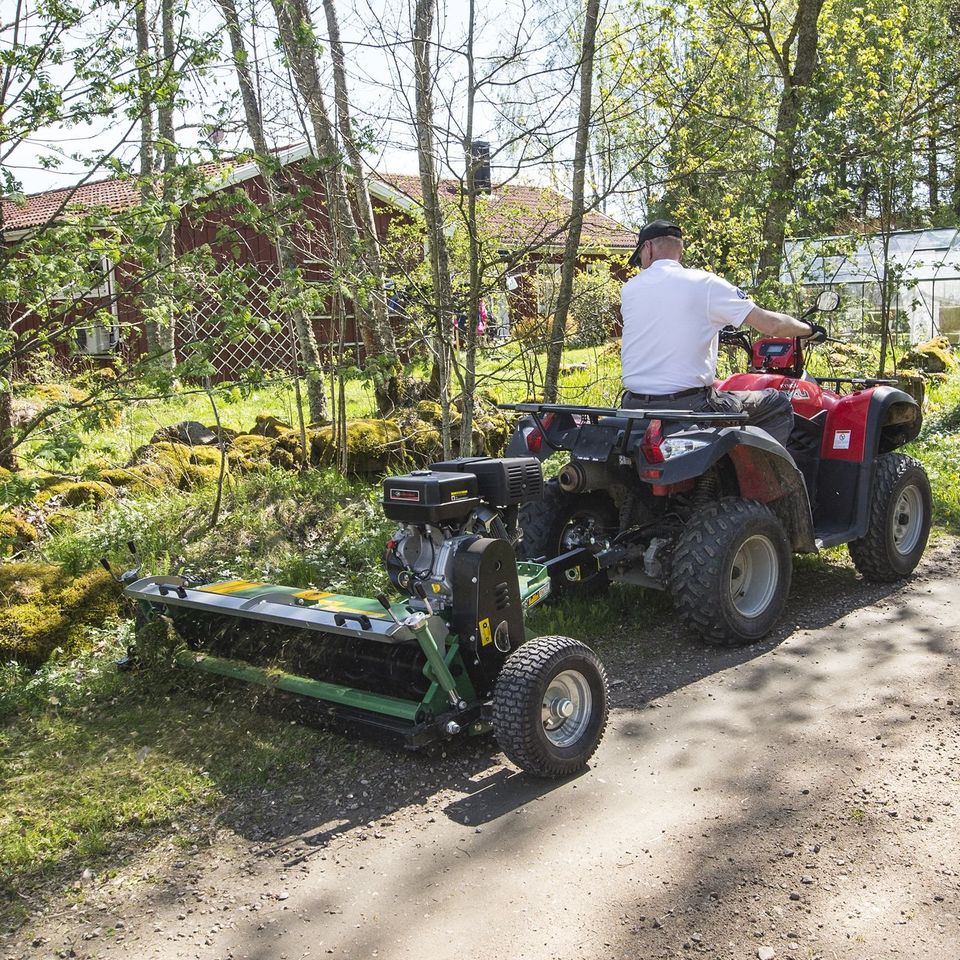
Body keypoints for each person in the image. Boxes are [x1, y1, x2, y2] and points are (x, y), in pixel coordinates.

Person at [620, 219, 825, 447]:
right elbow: (772, 325)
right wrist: (808, 329)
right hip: (690, 407)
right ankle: (760, 480)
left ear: (647, 248)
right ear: (680, 249)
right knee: (777, 404)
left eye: (639, 259)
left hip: (633, 406)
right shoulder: (704, 283)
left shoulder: (629, 289)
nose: (641, 264)